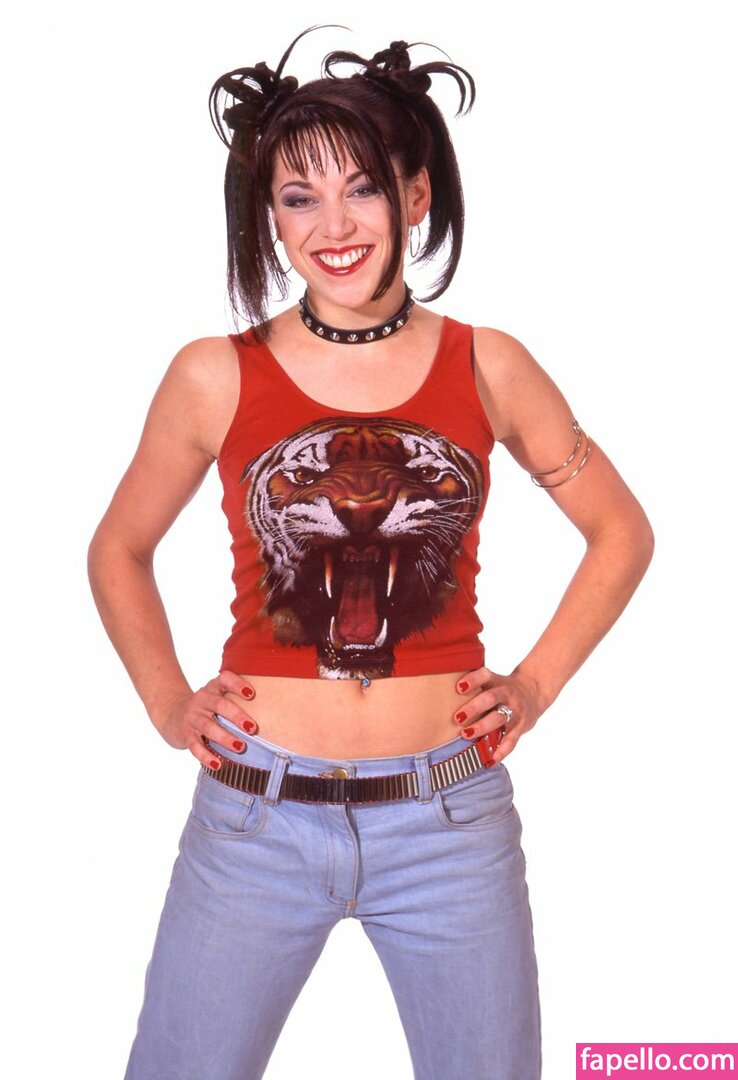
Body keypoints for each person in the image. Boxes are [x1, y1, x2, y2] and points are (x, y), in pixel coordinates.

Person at [88, 29, 654, 1080]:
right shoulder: (215, 374)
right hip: (253, 816)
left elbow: (621, 531)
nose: (335, 226)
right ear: (270, 216)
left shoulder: (488, 364)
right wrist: (169, 703)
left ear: (416, 195)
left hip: (448, 819)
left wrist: (533, 686)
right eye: (300, 197)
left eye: (362, 189)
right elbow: (118, 548)